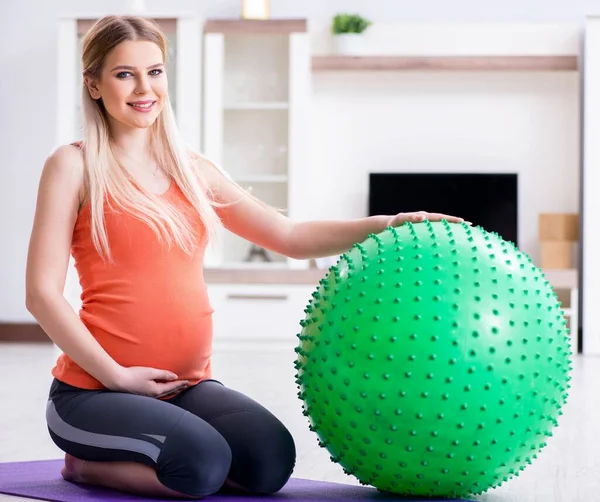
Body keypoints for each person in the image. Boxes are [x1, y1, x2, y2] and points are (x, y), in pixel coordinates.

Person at [25, 15, 465, 500]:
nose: (144, 88)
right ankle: (85, 467)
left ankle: (174, 457)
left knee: (270, 459)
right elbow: (42, 294)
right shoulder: (72, 165)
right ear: (93, 83)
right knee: (201, 465)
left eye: (155, 71)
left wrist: (388, 223)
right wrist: (117, 376)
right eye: (124, 74)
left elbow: (290, 236)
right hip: (93, 392)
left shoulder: (192, 171)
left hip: (186, 384)